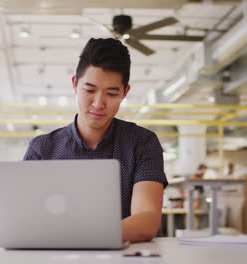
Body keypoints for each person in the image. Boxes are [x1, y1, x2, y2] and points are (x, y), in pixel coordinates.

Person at [24, 38, 168, 243]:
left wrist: (75, 236)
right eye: (89, 90)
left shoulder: (142, 143)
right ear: (75, 84)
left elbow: (146, 221)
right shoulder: (42, 149)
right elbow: (28, 220)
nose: (98, 104)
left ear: (125, 93)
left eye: (111, 93)